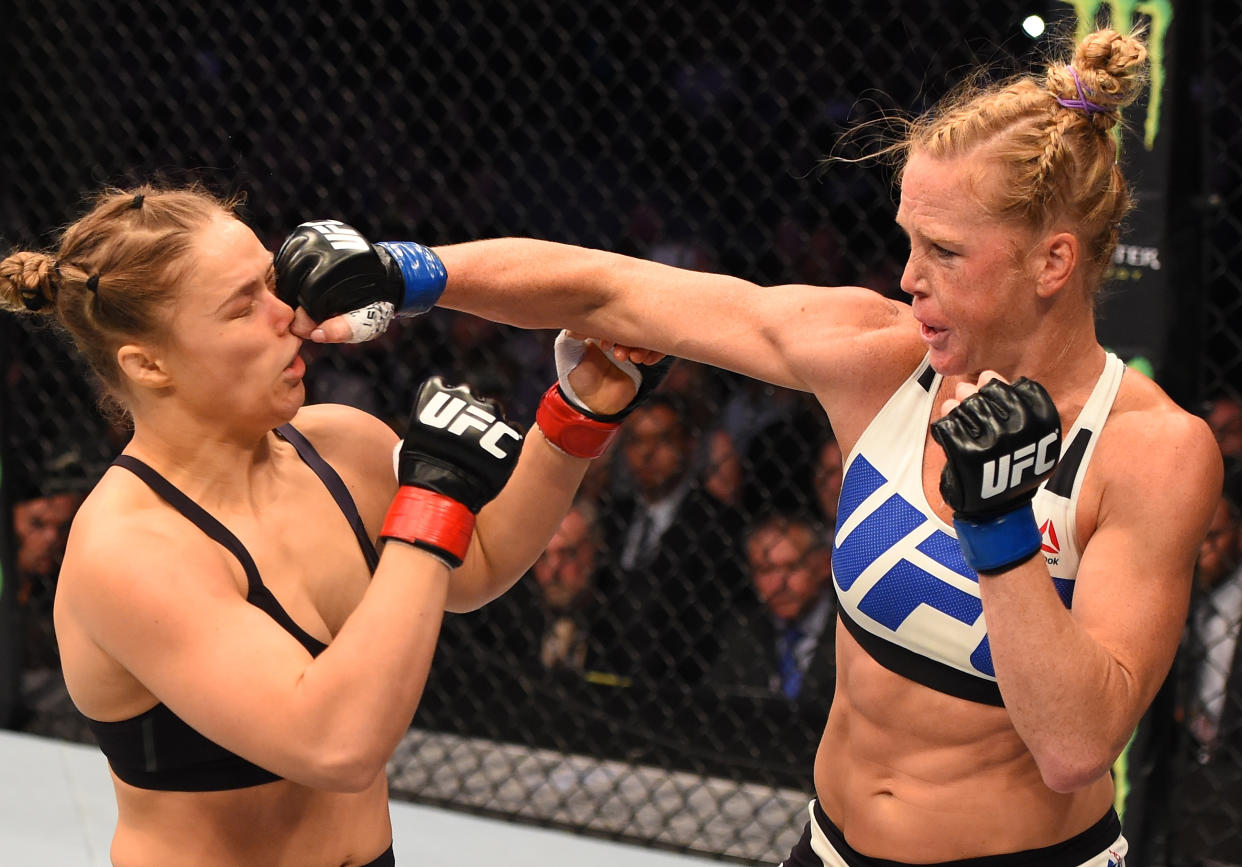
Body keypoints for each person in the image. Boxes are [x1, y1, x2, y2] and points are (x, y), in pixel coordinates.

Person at [279, 26, 1224, 866]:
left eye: (943, 250)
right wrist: (410, 270)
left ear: (1052, 261)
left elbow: (1074, 745)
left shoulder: (1150, 451)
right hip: (828, 841)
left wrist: (1001, 525)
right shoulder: (882, 359)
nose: (907, 276)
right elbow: (612, 290)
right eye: (907, 240)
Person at [0, 187, 663, 867]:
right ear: (149, 363)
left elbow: (479, 562)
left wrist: (578, 414)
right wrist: (431, 503)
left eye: (270, 281)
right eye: (240, 306)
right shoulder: (131, 549)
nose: (287, 315)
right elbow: (335, 743)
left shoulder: (338, 443)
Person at [710, 511, 836, 702]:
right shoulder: (743, 629)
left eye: (792, 567)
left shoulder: (853, 629)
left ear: (824, 565)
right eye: (765, 570)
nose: (778, 584)